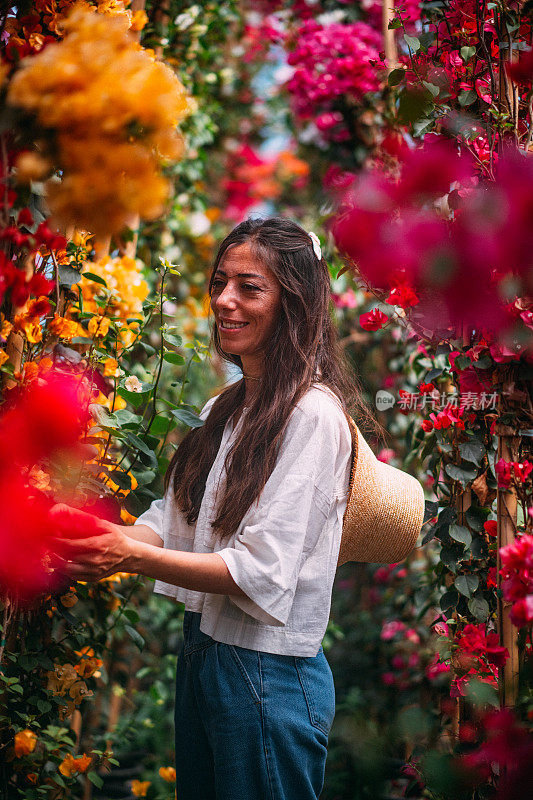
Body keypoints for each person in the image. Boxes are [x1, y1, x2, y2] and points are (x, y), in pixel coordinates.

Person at [51, 217, 380, 800]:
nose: (224, 301)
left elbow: (260, 572)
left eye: (249, 287)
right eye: (220, 281)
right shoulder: (225, 407)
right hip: (205, 653)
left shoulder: (312, 417)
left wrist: (128, 556)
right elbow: (174, 520)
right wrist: (109, 534)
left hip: (269, 676)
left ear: (294, 304)